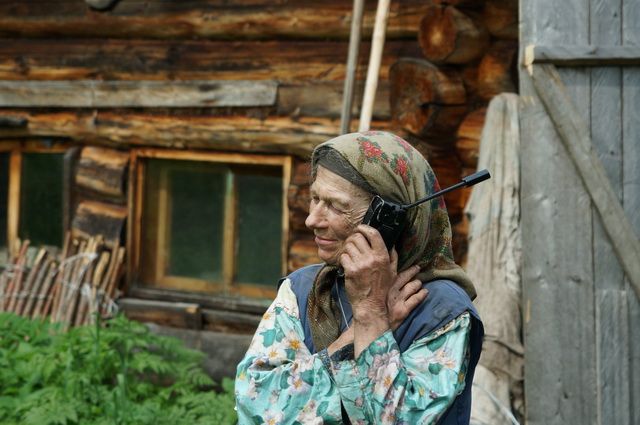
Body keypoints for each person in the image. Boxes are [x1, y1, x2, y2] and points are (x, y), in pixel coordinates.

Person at [235, 131, 483, 424]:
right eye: (315, 198)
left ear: (390, 218)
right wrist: (361, 329)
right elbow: (256, 401)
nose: (312, 219)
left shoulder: (442, 310)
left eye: (336, 206)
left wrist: (370, 316)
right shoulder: (302, 290)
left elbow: (401, 419)